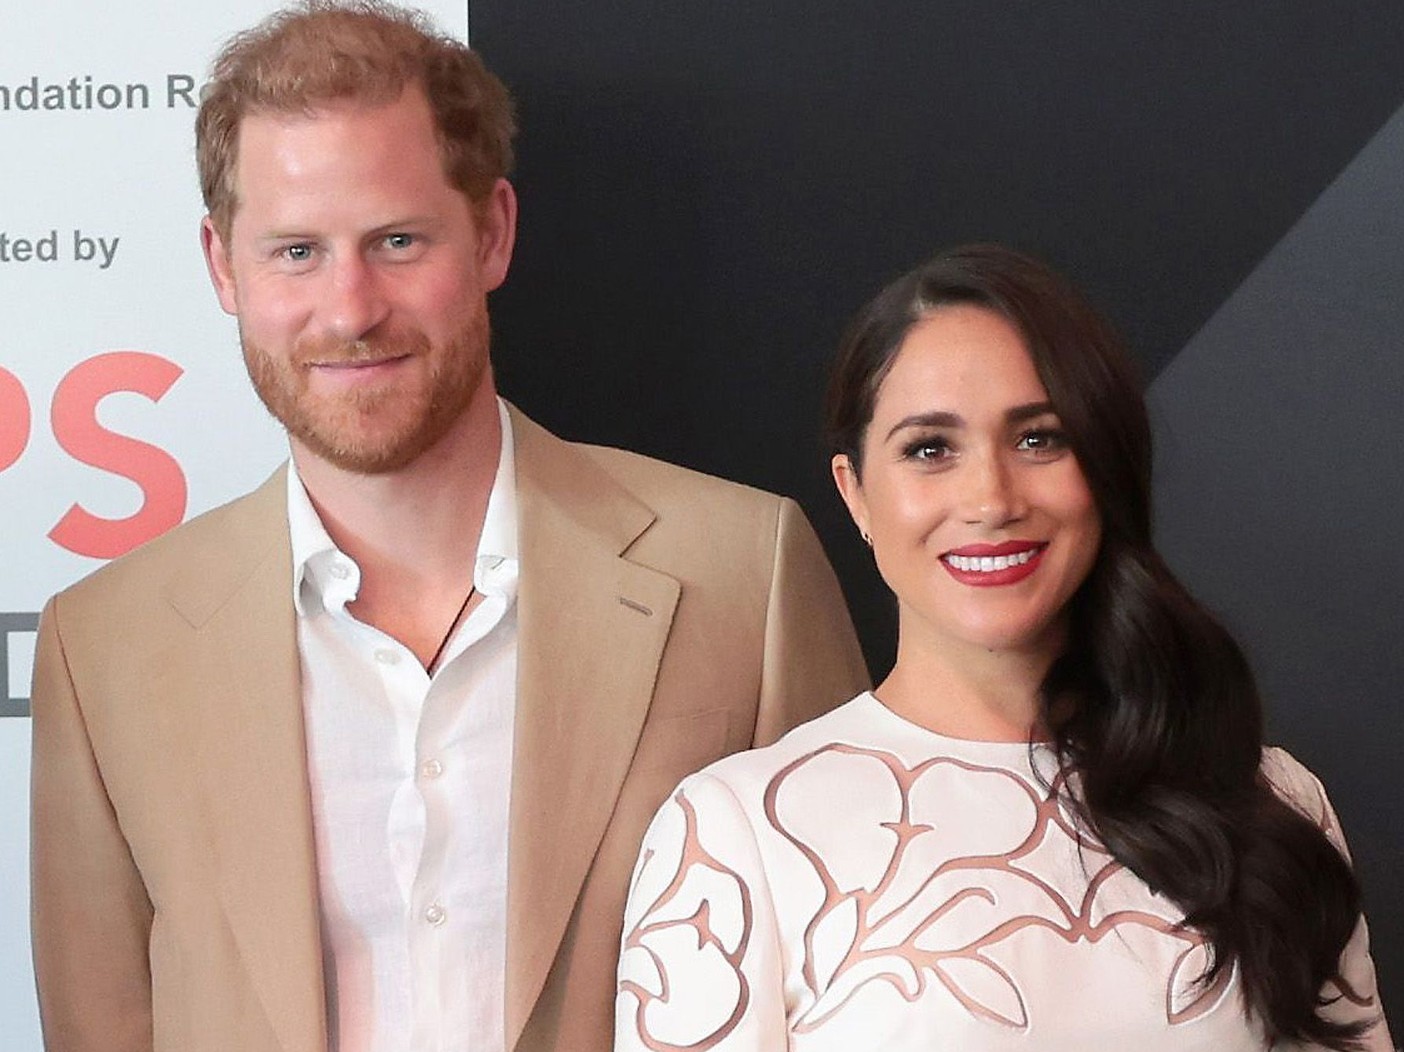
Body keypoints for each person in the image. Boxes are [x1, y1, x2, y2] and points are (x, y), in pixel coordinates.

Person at [27, 3, 870, 1051]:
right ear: (223, 266)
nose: (350, 308)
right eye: (296, 250)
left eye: (397, 241)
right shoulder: (104, 648)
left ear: (492, 233)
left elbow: (854, 999)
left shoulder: (744, 575)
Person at [615, 244, 1391, 1051]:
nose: (991, 498)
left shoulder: (1273, 801)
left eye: (1039, 439)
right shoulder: (734, 834)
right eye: (930, 449)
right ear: (856, 493)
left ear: (1105, 469)